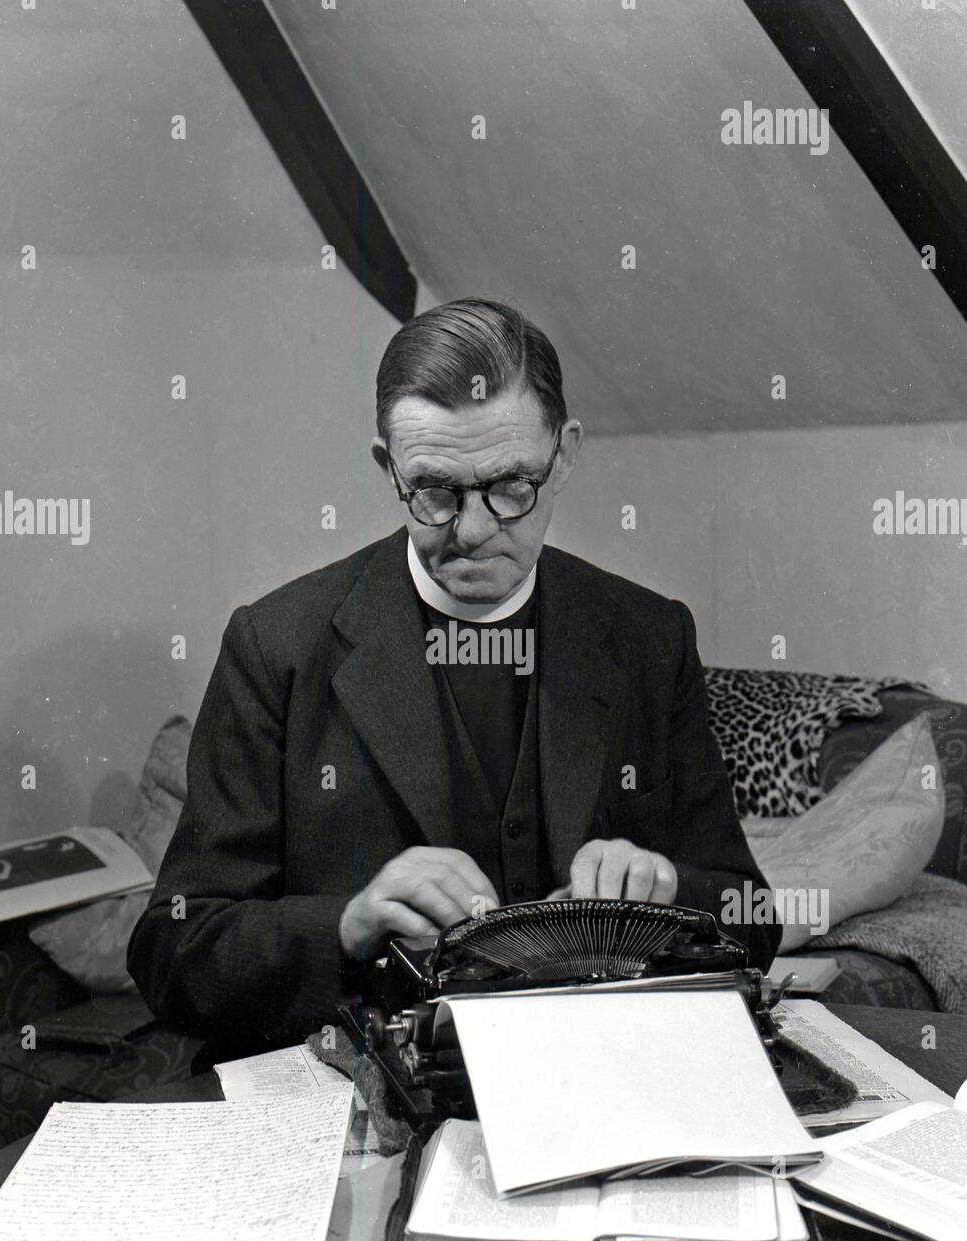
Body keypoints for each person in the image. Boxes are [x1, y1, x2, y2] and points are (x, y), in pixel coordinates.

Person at [128, 298, 775, 1051]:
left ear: (563, 455)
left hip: (599, 1078)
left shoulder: (648, 636)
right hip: (371, 1091)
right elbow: (173, 952)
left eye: (511, 487)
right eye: (434, 491)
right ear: (388, 469)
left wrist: (666, 889)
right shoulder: (276, 646)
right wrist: (347, 924)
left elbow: (753, 914)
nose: (471, 532)